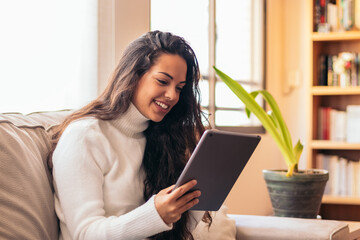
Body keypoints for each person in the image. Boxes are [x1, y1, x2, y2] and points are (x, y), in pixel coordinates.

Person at [48, 30, 212, 240]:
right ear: (133, 75)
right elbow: (85, 233)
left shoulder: (159, 139)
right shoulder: (84, 136)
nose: (172, 95)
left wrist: (198, 197)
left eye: (179, 88)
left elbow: (175, 232)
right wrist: (154, 214)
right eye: (163, 81)